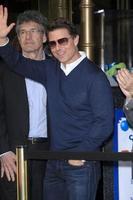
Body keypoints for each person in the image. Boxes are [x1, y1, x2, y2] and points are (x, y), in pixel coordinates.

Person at [0, 5, 114, 200]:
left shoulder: (95, 77)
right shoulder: (51, 70)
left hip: (81, 164)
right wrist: (3, 40)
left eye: (63, 41)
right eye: (53, 44)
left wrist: (81, 153)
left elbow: (104, 123)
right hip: (52, 162)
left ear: (76, 39)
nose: (58, 48)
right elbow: (17, 63)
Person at [0, 9, 49, 200]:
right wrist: (3, 151)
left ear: (44, 37)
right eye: (22, 32)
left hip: (49, 153)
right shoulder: (5, 70)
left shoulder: (56, 68)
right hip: (13, 153)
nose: (27, 37)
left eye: (34, 31)